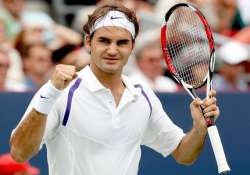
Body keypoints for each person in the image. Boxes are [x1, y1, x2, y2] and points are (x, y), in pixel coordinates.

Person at [10, 2, 220, 175]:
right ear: (88, 42)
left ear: (132, 46)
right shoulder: (59, 91)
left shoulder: (142, 94)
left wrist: (199, 128)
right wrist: (50, 95)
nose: (112, 50)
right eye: (104, 41)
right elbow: (19, 153)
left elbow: (183, 154)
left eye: (121, 42)